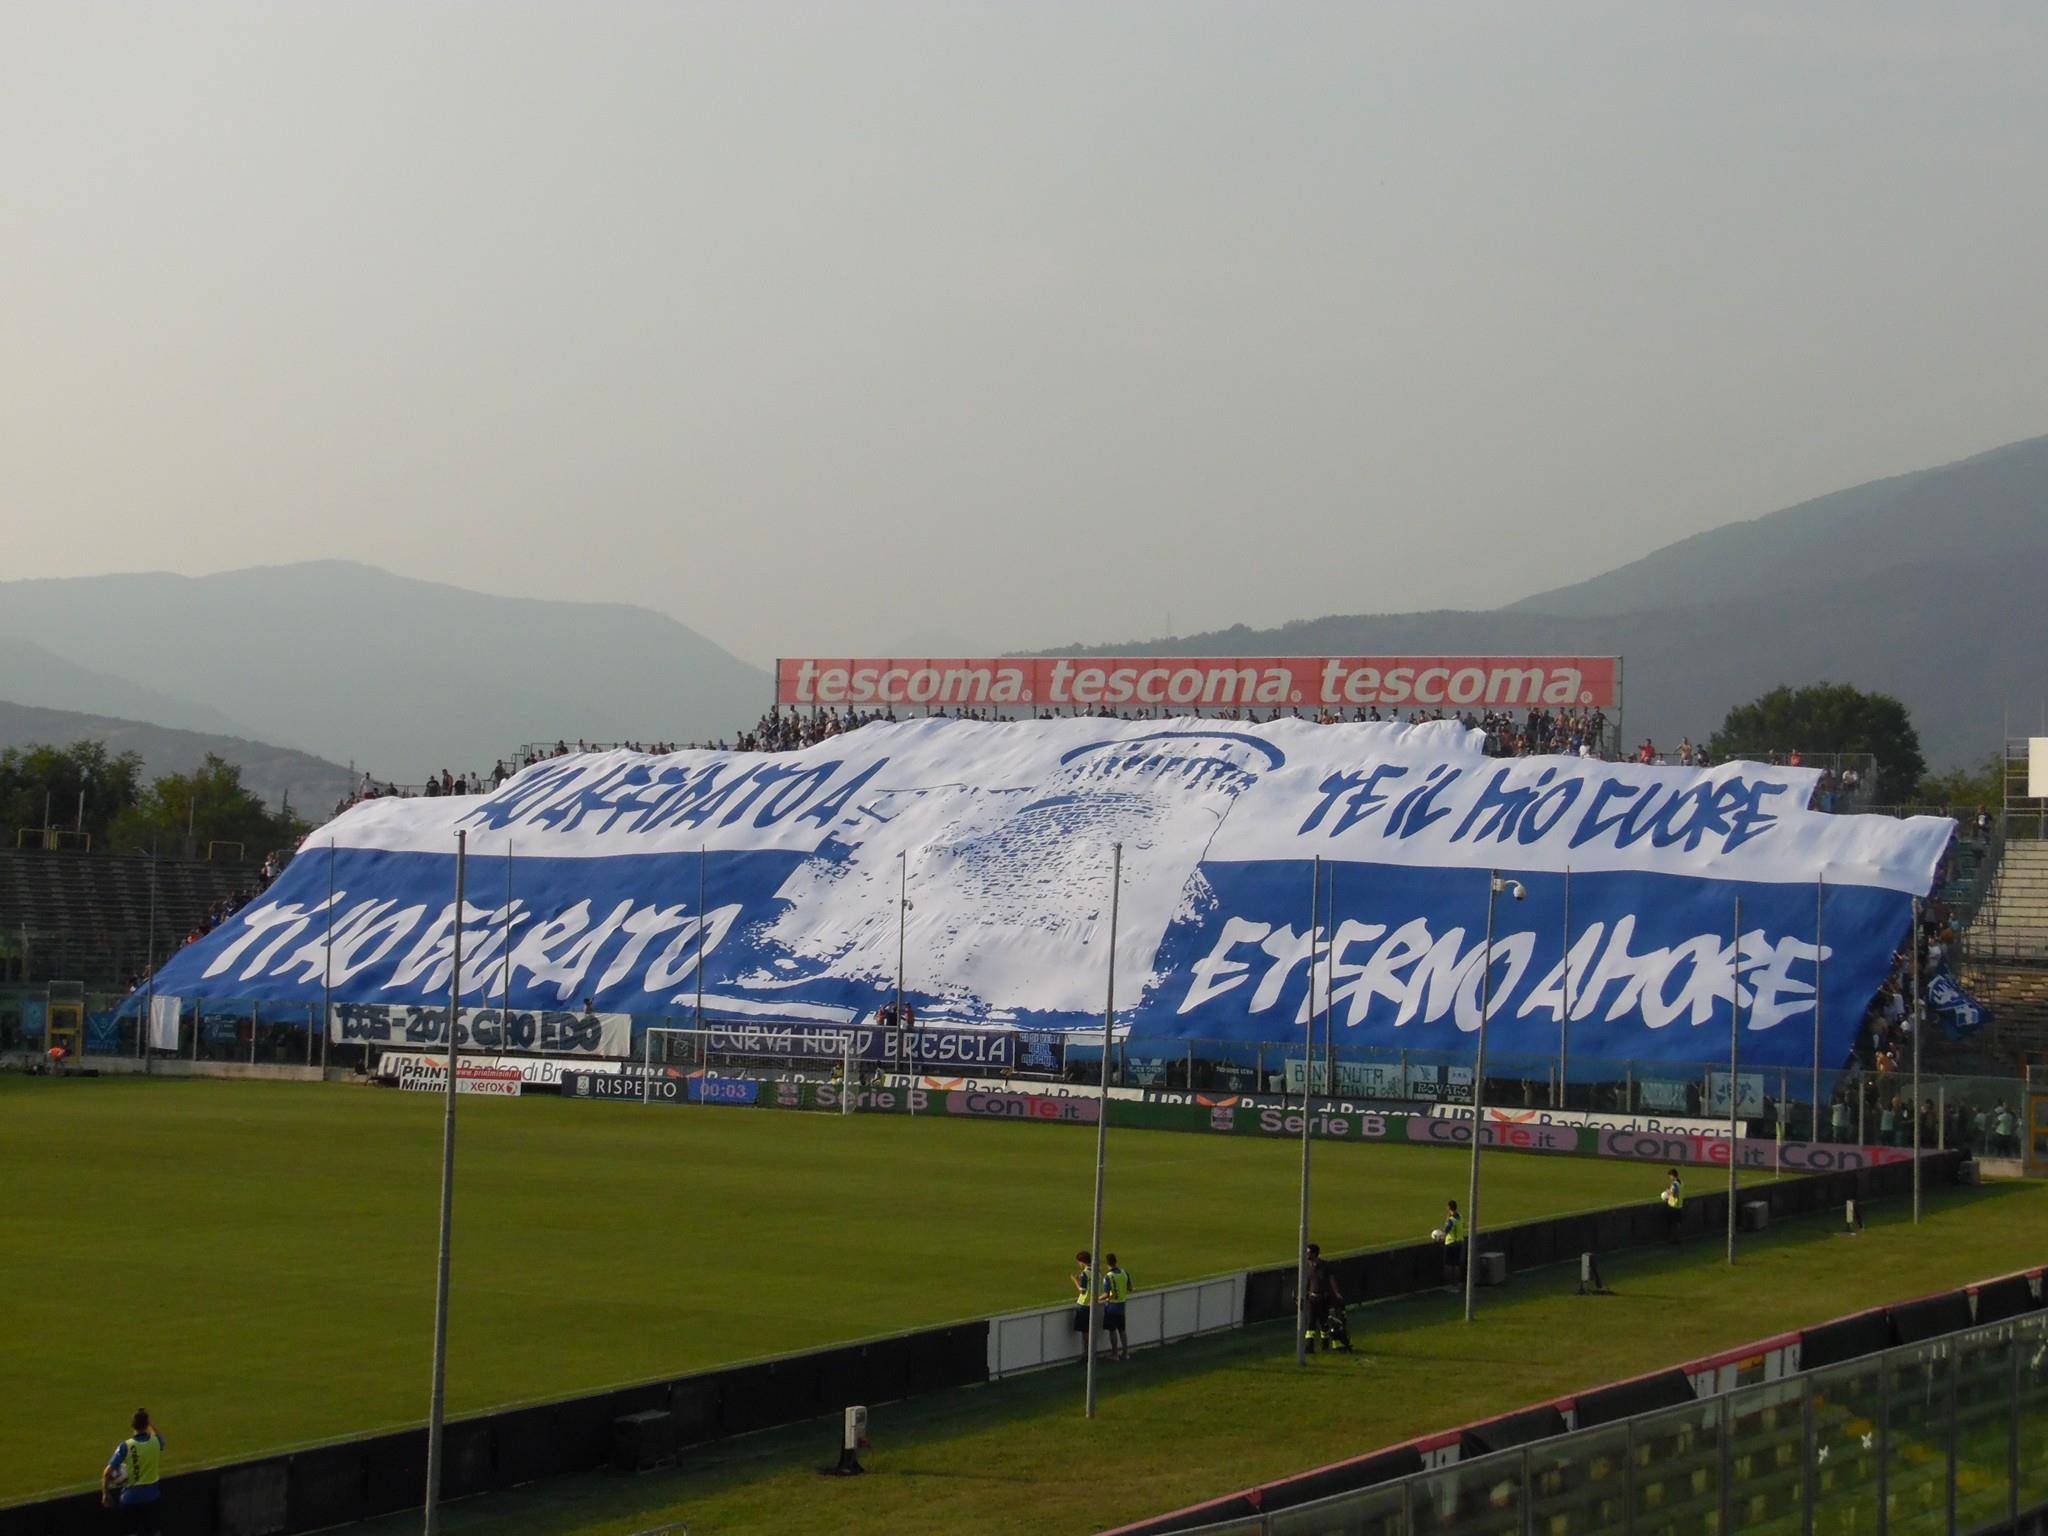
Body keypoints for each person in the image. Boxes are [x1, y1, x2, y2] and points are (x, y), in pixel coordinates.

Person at [103, 1409, 164, 1533]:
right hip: (151, 1497)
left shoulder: (126, 1446)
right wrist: (150, 1423)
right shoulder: (156, 1442)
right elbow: (159, 1436)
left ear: (132, 1425)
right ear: (147, 1424)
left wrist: (105, 1493)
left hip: (129, 1499)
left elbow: (107, 1472)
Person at [1303, 1244, 1350, 1354]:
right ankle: (1309, 1346)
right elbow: (1307, 1282)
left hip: (1323, 1299)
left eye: (1308, 1252)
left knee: (1323, 1322)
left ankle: (1325, 1345)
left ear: (1314, 1253)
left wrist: (1336, 1293)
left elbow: (1331, 1280)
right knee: (1310, 1323)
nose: (1306, 1255)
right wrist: (1304, 1294)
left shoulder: (1325, 1266)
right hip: (1312, 1298)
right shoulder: (1307, 1267)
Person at [1101, 1253, 1132, 1361]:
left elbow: (1107, 1294)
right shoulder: (1124, 1273)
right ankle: (1126, 1353)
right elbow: (1130, 1288)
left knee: (1112, 1330)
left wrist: (1096, 1298)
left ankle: (1115, 1354)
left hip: (1111, 1306)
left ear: (1107, 1263)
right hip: (1122, 1305)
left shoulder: (1108, 1276)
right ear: (1116, 1261)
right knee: (1122, 1330)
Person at [1069, 1250, 1095, 1341]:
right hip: (1093, 1302)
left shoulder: (1085, 1273)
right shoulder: (1097, 1272)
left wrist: (1075, 1280)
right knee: (1090, 1328)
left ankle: (1087, 1349)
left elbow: (1082, 1291)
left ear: (1081, 1262)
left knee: (1085, 1330)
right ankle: (1089, 1348)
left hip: (1084, 1304)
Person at [1437, 1200, 1464, 1285]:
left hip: (1451, 1243)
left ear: (1449, 1207)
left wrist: (1439, 1238)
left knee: (1448, 1264)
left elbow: (1446, 1231)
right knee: (1456, 1264)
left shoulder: (1451, 1220)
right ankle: (1457, 1283)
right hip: (1460, 1242)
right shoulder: (1460, 1217)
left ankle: (1450, 1283)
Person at [1660, 1168, 1684, 1243]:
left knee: (1672, 1223)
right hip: (1680, 1205)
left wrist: (1667, 1192)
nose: (1670, 1178)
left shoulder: (1674, 1184)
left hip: (1674, 1205)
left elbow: (1674, 1194)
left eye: (1670, 1176)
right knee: (1678, 1223)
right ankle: (1678, 1238)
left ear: (1673, 1176)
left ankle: (1673, 1238)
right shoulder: (1681, 1182)